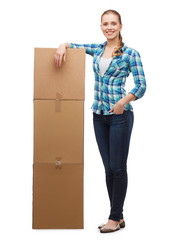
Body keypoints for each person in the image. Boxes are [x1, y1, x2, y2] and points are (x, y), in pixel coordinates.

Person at [54, 9, 146, 233]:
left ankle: (114, 219)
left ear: (120, 26)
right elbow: (74, 46)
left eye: (113, 23)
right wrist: (62, 45)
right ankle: (119, 216)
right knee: (108, 169)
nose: (109, 27)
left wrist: (123, 101)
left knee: (118, 168)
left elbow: (141, 85)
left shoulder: (130, 53)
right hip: (99, 115)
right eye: (105, 24)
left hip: (119, 117)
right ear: (101, 27)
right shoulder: (97, 49)